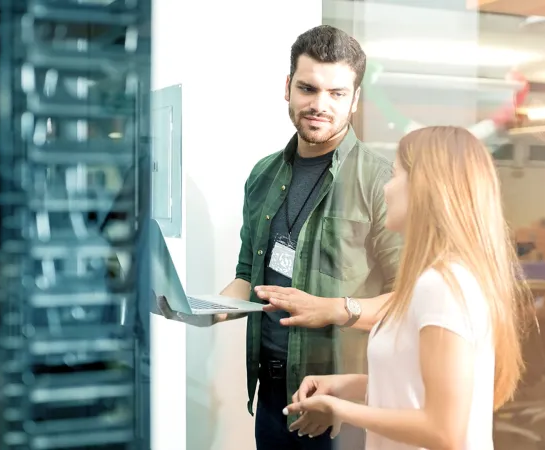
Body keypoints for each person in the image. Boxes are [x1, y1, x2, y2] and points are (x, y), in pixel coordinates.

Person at [157, 25, 403, 450]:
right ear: (288, 86)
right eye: (308, 88)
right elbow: (246, 277)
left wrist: (332, 309)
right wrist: (205, 310)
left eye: (337, 93)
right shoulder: (263, 175)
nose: (319, 105)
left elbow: (406, 301)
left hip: (340, 402)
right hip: (272, 395)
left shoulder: (381, 182)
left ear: (355, 100)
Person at [279, 126, 532, 450]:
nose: (386, 188)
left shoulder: (442, 286)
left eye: (396, 175)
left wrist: (342, 410)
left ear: (426, 188)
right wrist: (347, 387)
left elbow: (444, 431)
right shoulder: (437, 280)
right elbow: (417, 388)